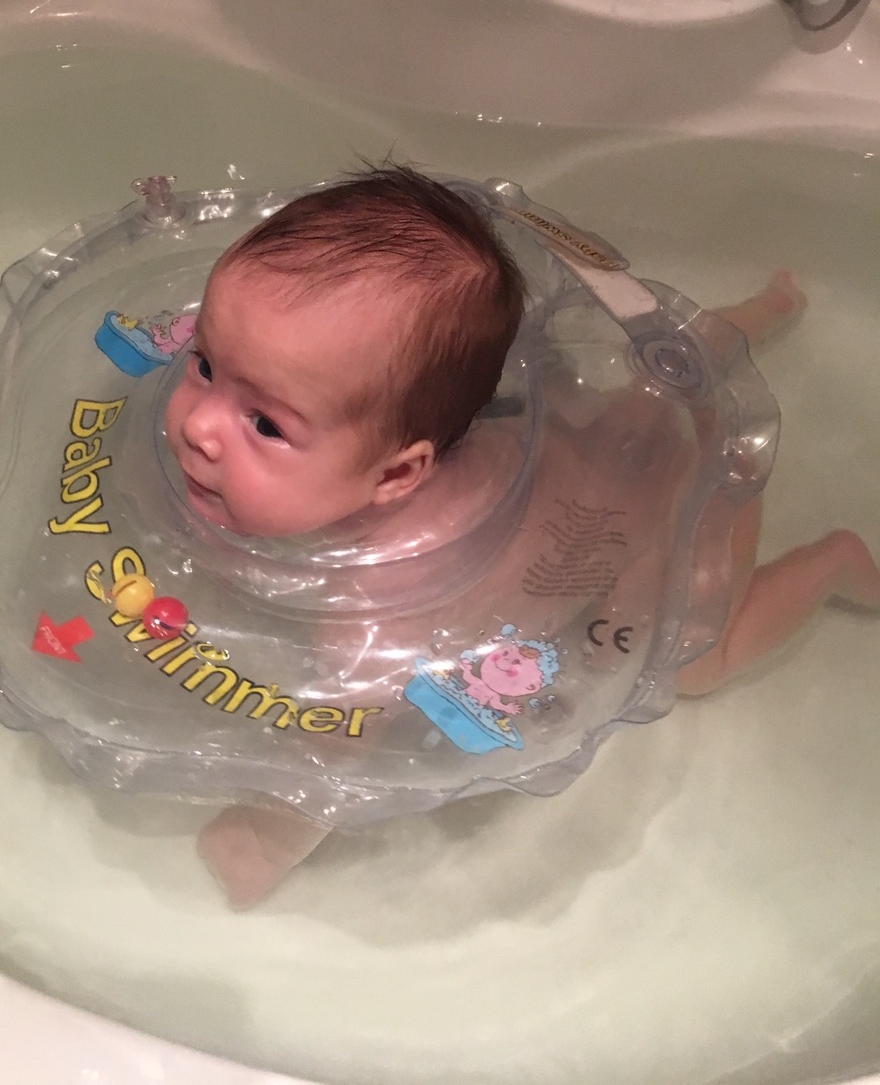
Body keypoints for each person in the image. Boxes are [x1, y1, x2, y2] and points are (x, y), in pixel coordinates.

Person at [164, 166, 880, 906]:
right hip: (606, 436)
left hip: (676, 503)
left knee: (699, 663)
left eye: (266, 424)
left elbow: (331, 759)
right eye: (206, 365)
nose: (198, 425)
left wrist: (260, 842)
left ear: (399, 474)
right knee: (666, 381)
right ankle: (761, 313)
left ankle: (837, 566)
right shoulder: (424, 420)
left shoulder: (372, 619)